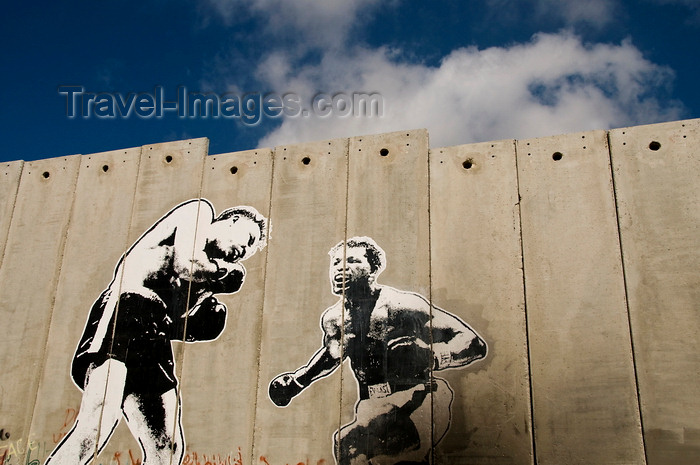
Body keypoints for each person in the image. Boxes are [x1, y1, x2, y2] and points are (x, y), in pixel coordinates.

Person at [45, 199, 267, 465]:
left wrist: (196, 326)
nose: (245, 251)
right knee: (99, 419)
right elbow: (188, 263)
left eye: (250, 252)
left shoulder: (208, 278)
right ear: (232, 220)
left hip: (154, 330)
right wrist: (221, 273)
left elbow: (172, 322)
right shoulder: (198, 212)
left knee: (167, 448)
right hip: (125, 309)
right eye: (249, 239)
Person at [269, 236, 487, 465]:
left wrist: (432, 357)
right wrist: (298, 381)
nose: (341, 267)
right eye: (335, 262)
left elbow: (473, 342)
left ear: (373, 269)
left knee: (349, 444)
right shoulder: (335, 319)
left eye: (352, 260)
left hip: (419, 398)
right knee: (349, 451)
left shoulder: (402, 306)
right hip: (372, 406)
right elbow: (333, 353)